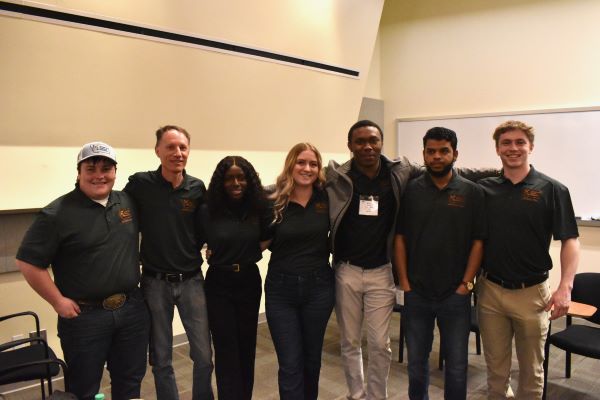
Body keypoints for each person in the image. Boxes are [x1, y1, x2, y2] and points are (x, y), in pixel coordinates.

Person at [326, 120, 495, 400]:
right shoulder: (338, 175)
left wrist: (503, 170)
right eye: (360, 141)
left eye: (373, 140)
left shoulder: (400, 171)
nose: (367, 146)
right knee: (352, 341)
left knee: (383, 345)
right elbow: (298, 178)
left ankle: (377, 395)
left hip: (385, 271)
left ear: (381, 143)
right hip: (351, 271)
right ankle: (356, 394)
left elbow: (457, 175)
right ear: (350, 146)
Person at [15, 142, 150, 400]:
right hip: (85, 318)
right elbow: (28, 263)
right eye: (91, 168)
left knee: (130, 382)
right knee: (84, 388)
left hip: (131, 310)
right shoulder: (56, 214)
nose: (99, 175)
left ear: (115, 171)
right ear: (78, 172)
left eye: (106, 168)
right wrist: (57, 301)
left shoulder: (127, 202)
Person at [477, 120, 580, 399]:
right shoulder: (484, 189)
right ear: (497, 149)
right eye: (506, 143)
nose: (513, 148)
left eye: (520, 142)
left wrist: (565, 287)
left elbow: (570, 240)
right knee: (496, 370)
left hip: (533, 294)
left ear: (530, 147)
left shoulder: (553, 189)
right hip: (490, 292)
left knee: (532, 371)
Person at [393, 127, 486, 400]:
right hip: (417, 293)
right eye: (430, 151)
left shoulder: (472, 192)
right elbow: (400, 239)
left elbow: (478, 242)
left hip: (455, 295)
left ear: (455, 153)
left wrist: (466, 285)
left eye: (443, 151)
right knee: (416, 365)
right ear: (423, 154)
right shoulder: (411, 191)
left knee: (457, 367)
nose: (437, 156)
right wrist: (406, 284)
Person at [124, 125, 213, 400]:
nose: (178, 153)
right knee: (161, 357)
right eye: (171, 147)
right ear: (157, 151)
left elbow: (207, 227)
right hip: (154, 283)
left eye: (183, 147)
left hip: (192, 282)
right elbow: (118, 210)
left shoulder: (197, 188)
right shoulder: (141, 184)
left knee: (204, 356)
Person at [264, 143, 335, 400]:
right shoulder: (273, 200)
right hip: (281, 291)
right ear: (291, 165)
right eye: (301, 162)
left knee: (312, 360)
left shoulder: (327, 198)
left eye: (313, 164)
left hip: (319, 288)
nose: (307, 168)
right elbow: (255, 238)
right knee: (290, 363)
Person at [200, 156, 269, 400]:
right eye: (230, 178)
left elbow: (269, 235)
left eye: (241, 177)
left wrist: (246, 252)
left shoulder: (258, 207)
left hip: (249, 280)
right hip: (219, 282)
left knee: (247, 345)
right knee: (226, 347)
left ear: (249, 180)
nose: (236, 182)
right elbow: (196, 239)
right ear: (221, 182)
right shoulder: (208, 210)